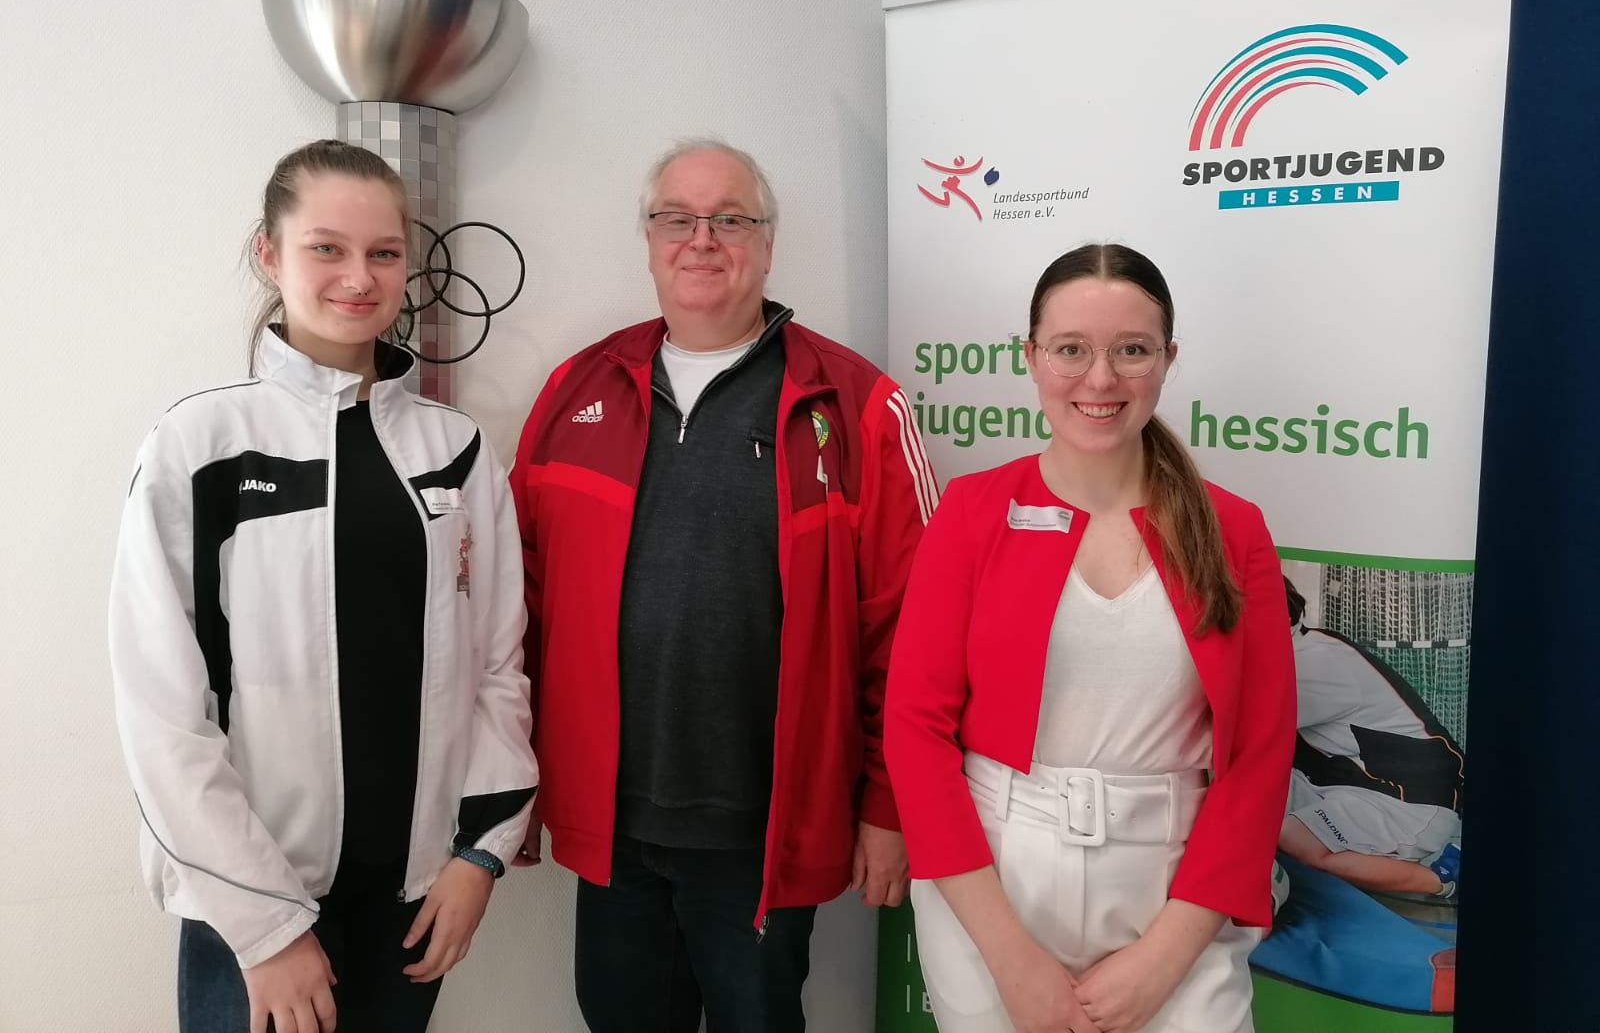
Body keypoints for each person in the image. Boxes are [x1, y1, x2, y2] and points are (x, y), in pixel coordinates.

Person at [108, 139, 538, 1033]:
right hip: (253, 913)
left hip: (413, 902)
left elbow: (497, 666)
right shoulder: (202, 445)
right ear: (270, 253)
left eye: (383, 252)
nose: (358, 277)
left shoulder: (456, 449)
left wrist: (481, 856)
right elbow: (161, 711)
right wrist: (266, 930)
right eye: (327, 248)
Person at [511, 138, 937, 1032]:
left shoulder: (857, 405)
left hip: (761, 829)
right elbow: (519, 611)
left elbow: (913, 634)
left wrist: (891, 805)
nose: (702, 239)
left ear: (768, 242)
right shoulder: (575, 391)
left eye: (730, 219)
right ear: (649, 239)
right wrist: (509, 791)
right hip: (613, 821)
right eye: (678, 218)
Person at [885, 243, 1296, 1033]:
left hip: (1174, 893)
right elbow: (915, 730)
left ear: (1167, 358)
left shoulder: (1233, 530)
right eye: (1071, 349)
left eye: (1131, 351)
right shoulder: (971, 514)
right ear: (1031, 357)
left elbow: (1260, 753)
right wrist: (1010, 958)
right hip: (993, 887)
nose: (1100, 379)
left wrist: (1167, 955)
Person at [1278, 576, 1464, 900]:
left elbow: (1233, 733)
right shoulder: (1301, 646)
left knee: (1293, 838)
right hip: (1348, 782)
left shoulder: (1313, 664)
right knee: (1245, 799)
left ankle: (1442, 878)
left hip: (1409, 803)